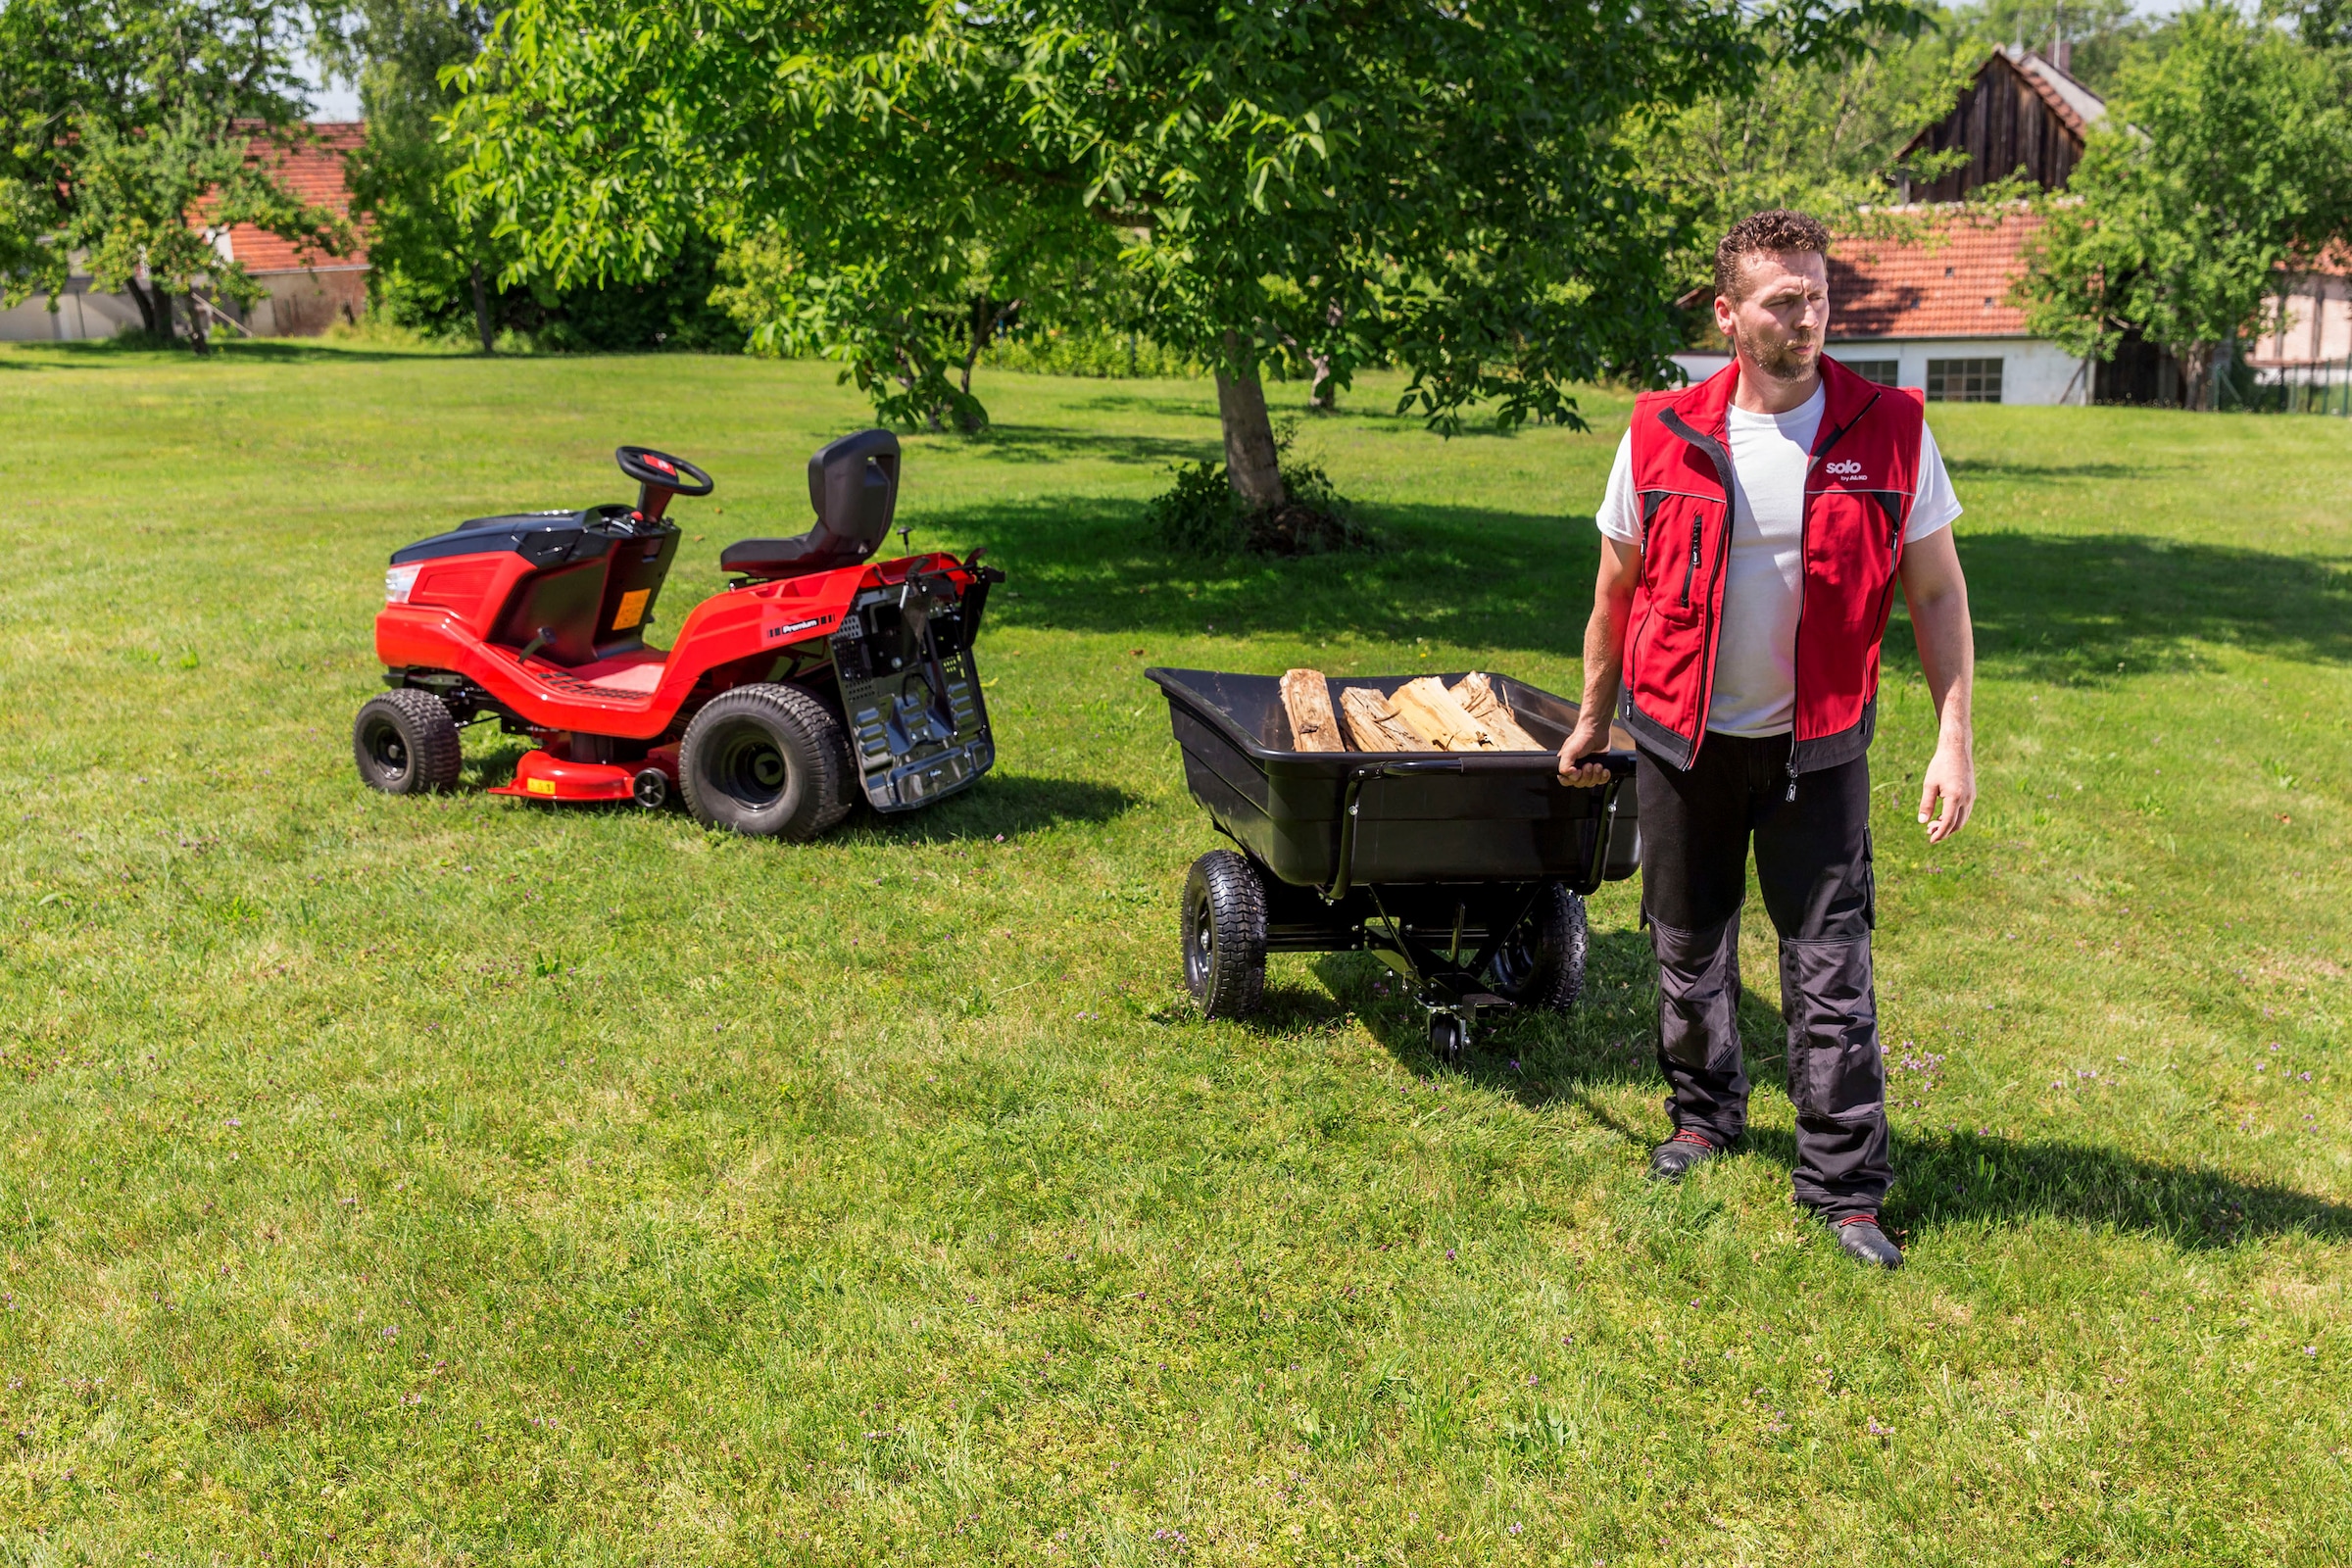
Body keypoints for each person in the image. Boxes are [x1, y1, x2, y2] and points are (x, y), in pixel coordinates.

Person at [1556, 209, 1978, 1270]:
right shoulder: (1660, 432)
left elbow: (1935, 590)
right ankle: (1703, 1116)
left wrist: (1953, 735)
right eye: (1784, 299)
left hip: (1817, 747)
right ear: (1728, 313)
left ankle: (1844, 1188)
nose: (1809, 315)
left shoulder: (1889, 429)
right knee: (1686, 945)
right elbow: (1616, 591)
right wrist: (1595, 721)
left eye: (1819, 294)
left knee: (1830, 967)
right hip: (1682, 740)